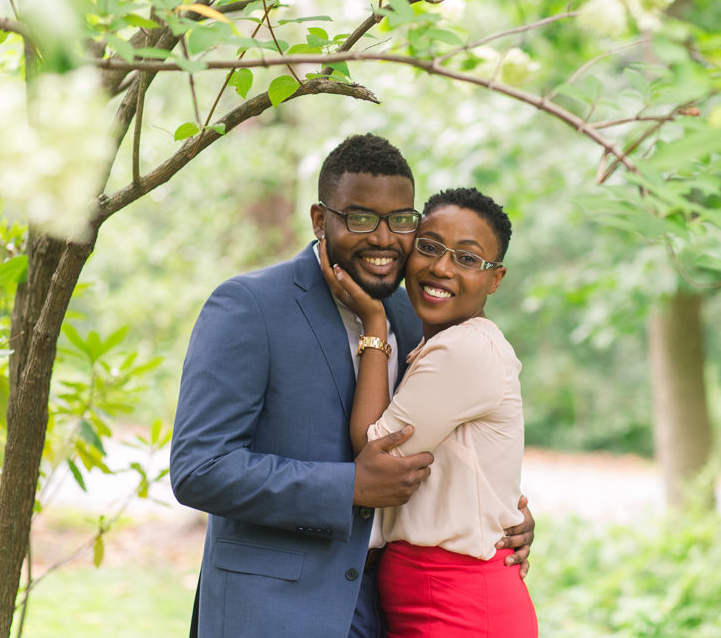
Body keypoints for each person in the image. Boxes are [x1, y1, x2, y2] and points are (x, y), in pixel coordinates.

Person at [169, 134, 534, 638]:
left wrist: (503, 515)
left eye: (400, 220)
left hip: (387, 607)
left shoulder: (412, 315)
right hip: (273, 610)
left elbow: (452, 434)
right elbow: (199, 469)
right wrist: (347, 488)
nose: (384, 239)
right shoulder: (249, 306)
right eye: (360, 217)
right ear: (321, 220)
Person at [320, 187, 537, 637]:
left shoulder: (466, 348)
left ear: (495, 280)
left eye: (467, 258)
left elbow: (375, 449)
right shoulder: (439, 343)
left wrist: (373, 326)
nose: (441, 267)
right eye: (430, 247)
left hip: (460, 603)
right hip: (429, 594)